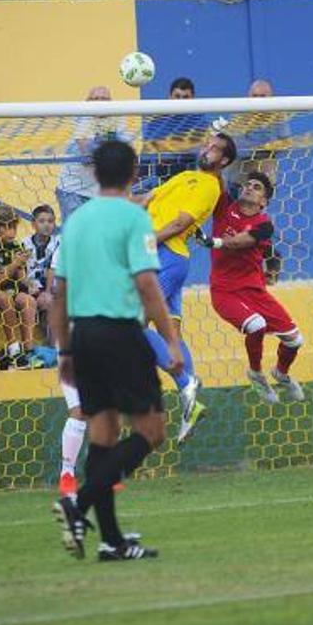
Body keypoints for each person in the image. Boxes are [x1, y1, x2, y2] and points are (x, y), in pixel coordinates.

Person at [51, 139, 182, 562]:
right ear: (132, 173)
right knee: (152, 431)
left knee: (103, 439)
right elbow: (147, 285)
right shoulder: (134, 217)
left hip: (84, 336)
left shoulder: (76, 221)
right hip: (120, 334)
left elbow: (60, 292)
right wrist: (172, 341)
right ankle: (79, 502)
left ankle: (110, 541)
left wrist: (65, 352)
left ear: (93, 173)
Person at [140, 131, 238, 441]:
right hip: (159, 256)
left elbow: (180, 224)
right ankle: (190, 399)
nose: (206, 149)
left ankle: (185, 384)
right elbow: (147, 199)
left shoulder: (209, 186)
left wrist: (150, 241)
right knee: (171, 331)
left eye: (214, 149)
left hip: (166, 255)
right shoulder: (184, 176)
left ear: (223, 160)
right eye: (207, 144)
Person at [198, 171, 304, 403]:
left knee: (295, 340)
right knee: (256, 325)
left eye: (257, 187)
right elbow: (216, 176)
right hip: (224, 291)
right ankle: (256, 374)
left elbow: (242, 242)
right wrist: (218, 152)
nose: (249, 187)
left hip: (255, 292)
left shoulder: (264, 225)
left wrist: (213, 241)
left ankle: (281, 373)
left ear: (264, 201)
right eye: (247, 184)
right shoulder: (225, 206)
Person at [56, 86, 137, 222]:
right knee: (77, 236)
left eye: (104, 99)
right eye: (95, 99)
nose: (100, 102)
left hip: (101, 193)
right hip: (73, 190)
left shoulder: (118, 120)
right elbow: (87, 156)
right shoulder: (82, 119)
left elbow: (127, 154)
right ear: (88, 102)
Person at [0, 205, 40, 369]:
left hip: (13, 290)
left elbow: (21, 279)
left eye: (15, 227)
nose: (14, 231)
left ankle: (28, 351)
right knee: (6, 299)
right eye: (10, 227)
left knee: (28, 301)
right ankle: (14, 350)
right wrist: (15, 264)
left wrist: (24, 273)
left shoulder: (17, 246)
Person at [141, 76, 203, 186]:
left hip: (190, 177)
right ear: (169, 97)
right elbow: (148, 153)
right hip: (161, 178)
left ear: (192, 98)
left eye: (185, 97)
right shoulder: (156, 124)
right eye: (177, 96)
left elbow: (198, 152)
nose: (181, 101)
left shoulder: (200, 122)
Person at [23, 204, 60, 312]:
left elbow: (53, 269)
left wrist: (47, 292)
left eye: (50, 221)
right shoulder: (24, 244)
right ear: (33, 224)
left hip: (50, 290)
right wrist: (28, 285)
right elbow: (21, 272)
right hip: (30, 288)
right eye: (42, 221)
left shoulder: (58, 243)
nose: (46, 225)